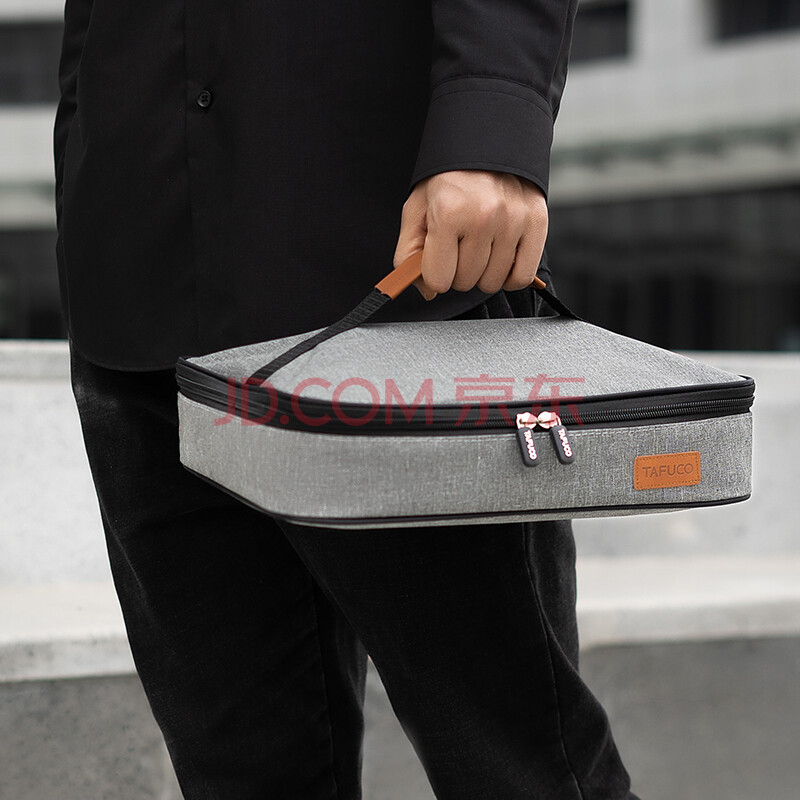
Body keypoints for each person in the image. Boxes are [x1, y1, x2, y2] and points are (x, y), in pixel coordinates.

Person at [55, 1, 641, 798]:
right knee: (238, 776)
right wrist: (84, 143)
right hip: (142, 275)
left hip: (398, 285)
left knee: (521, 769)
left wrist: (492, 117)